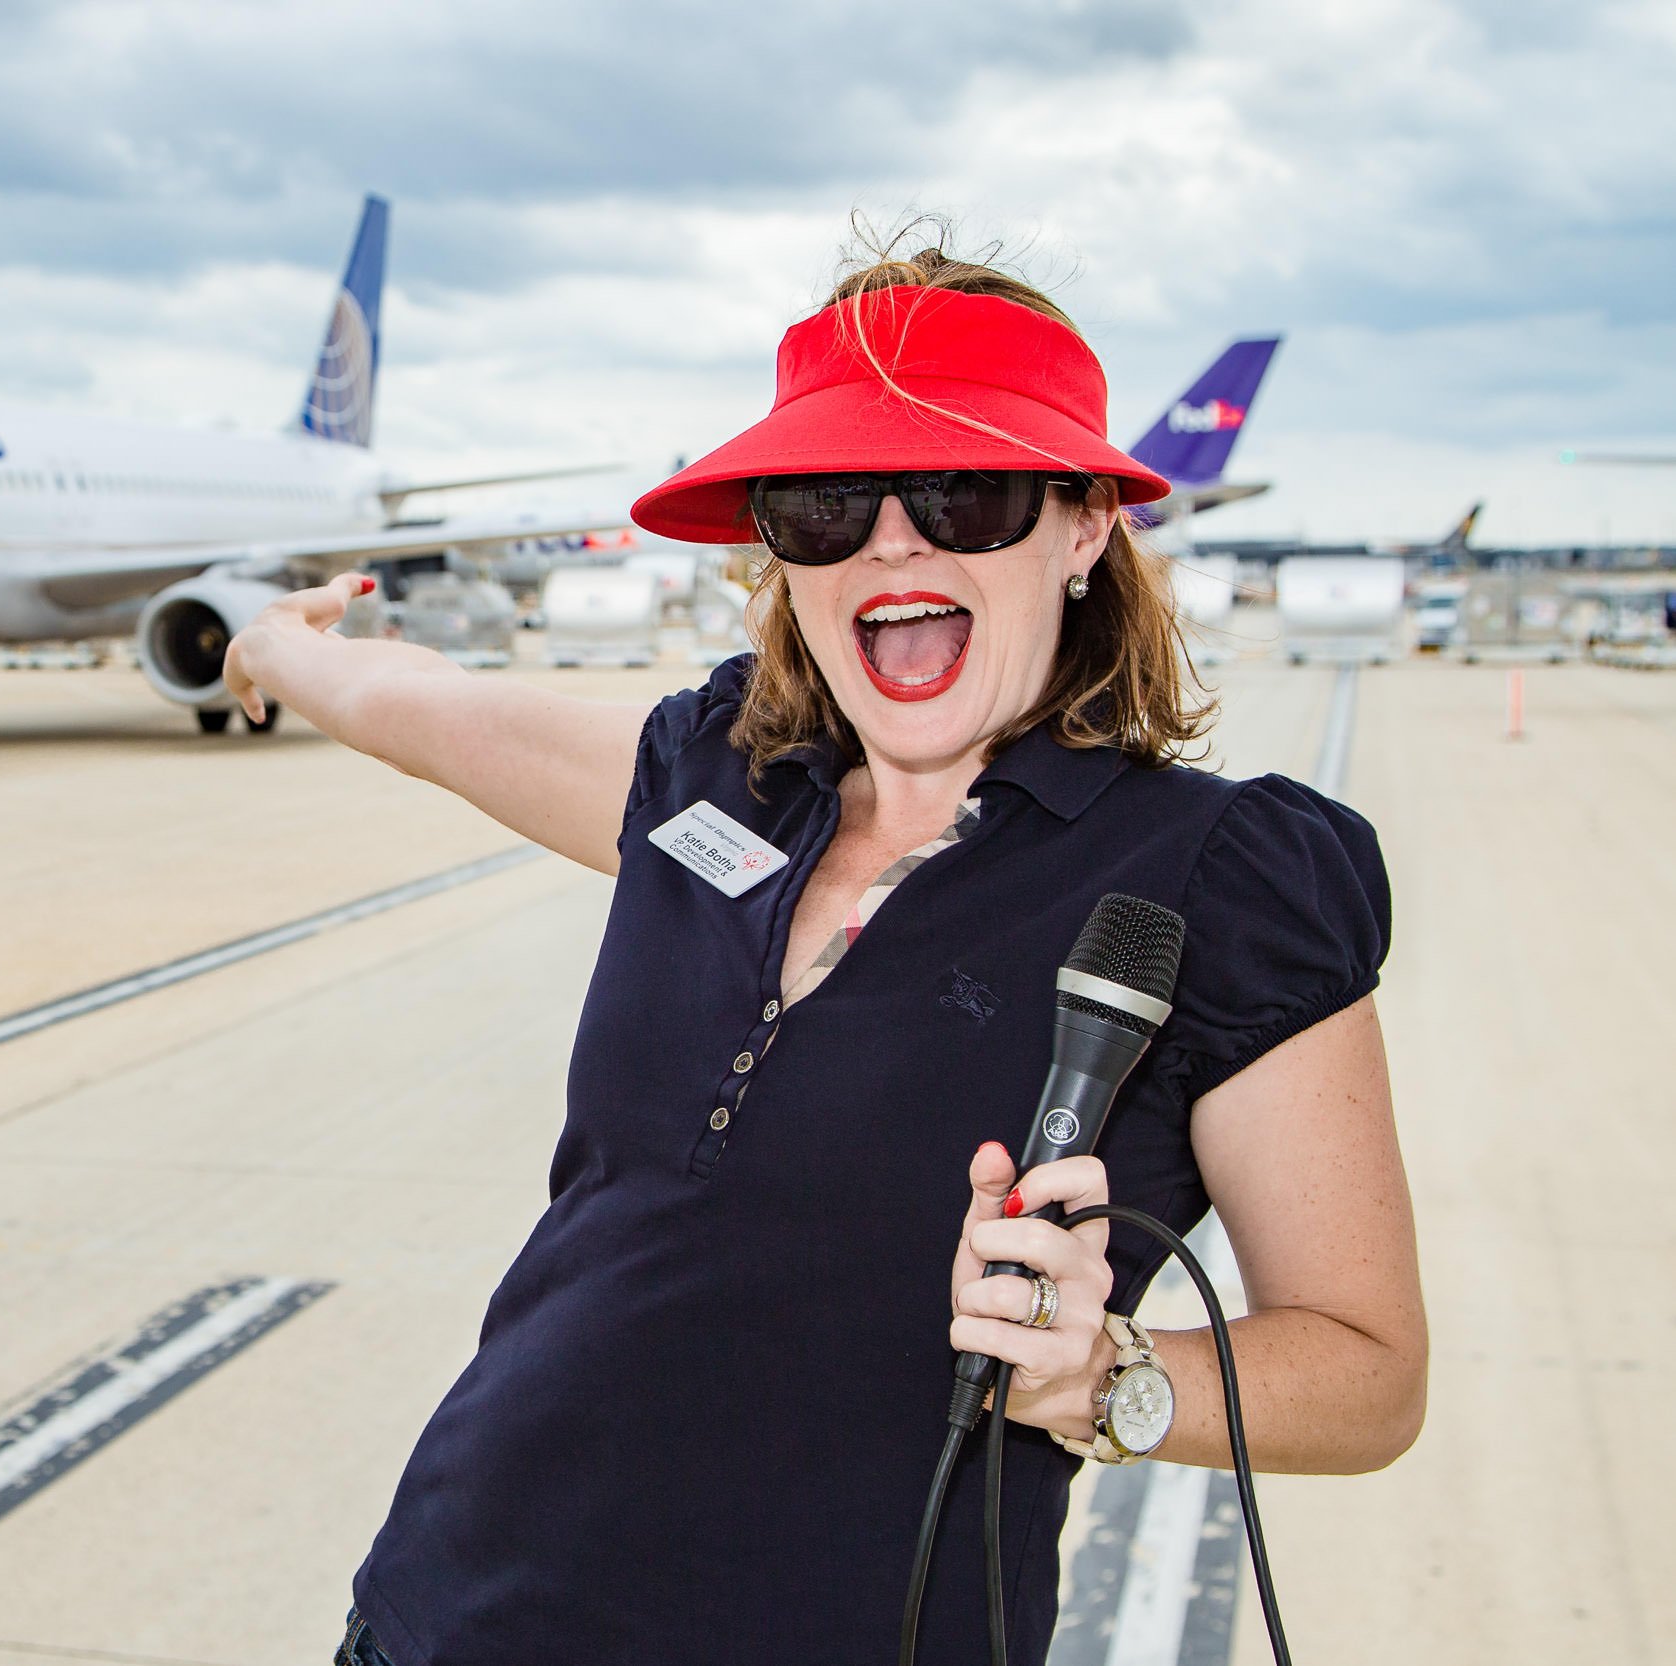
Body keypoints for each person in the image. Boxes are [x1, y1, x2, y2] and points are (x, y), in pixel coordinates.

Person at [226, 244, 1427, 1666]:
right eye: (825, 501)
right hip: (449, 1615)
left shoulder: (1222, 883)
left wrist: (1100, 1377)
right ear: (778, 549)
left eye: (967, 492)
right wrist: (275, 642)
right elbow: (424, 705)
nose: (894, 543)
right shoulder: (712, 780)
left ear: (1085, 523)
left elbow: (1370, 1372)